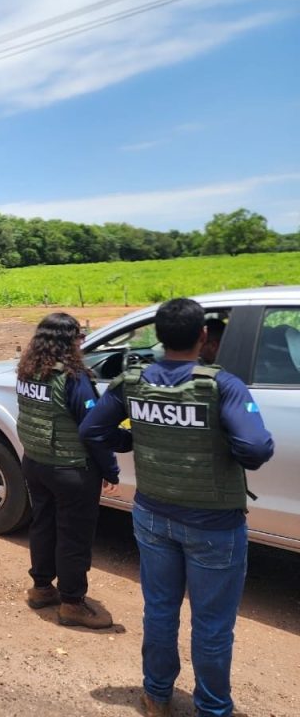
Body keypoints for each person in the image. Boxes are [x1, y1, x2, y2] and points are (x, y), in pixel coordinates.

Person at [79, 298, 274, 717]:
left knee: (161, 610)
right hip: (214, 526)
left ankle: (156, 695)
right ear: (204, 337)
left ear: (159, 337)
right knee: (212, 625)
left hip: (152, 517)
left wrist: (129, 441)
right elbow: (256, 449)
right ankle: (213, 708)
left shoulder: (133, 381)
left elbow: (93, 428)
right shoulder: (223, 385)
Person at [15, 312, 123, 629]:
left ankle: (41, 588)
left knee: (43, 526)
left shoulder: (27, 371)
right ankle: (72, 603)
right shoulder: (73, 379)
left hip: (35, 463)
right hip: (70, 470)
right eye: (80, 337)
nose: (83, 342)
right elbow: (94, 431)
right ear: (69, 342)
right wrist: (111, 471)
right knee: (73, 537)